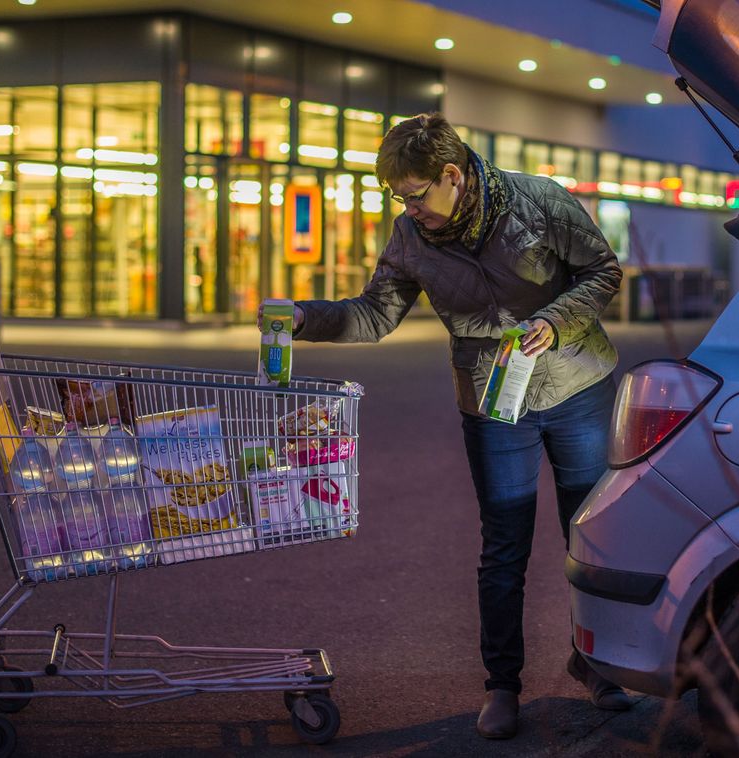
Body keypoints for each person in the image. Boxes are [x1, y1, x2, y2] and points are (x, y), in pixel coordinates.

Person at [267, 113, 630, 739]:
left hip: (577, 386)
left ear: (452, 176)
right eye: (397, 197)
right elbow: (375, 315)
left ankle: (596, 661)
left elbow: (604, 272)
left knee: (590, 536)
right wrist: (306, 318)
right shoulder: (409, 241)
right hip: (491, 400)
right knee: (504, 546)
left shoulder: (539, 202)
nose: (408, 208)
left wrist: (556, 320)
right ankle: (503, 685)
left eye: (414, 194)